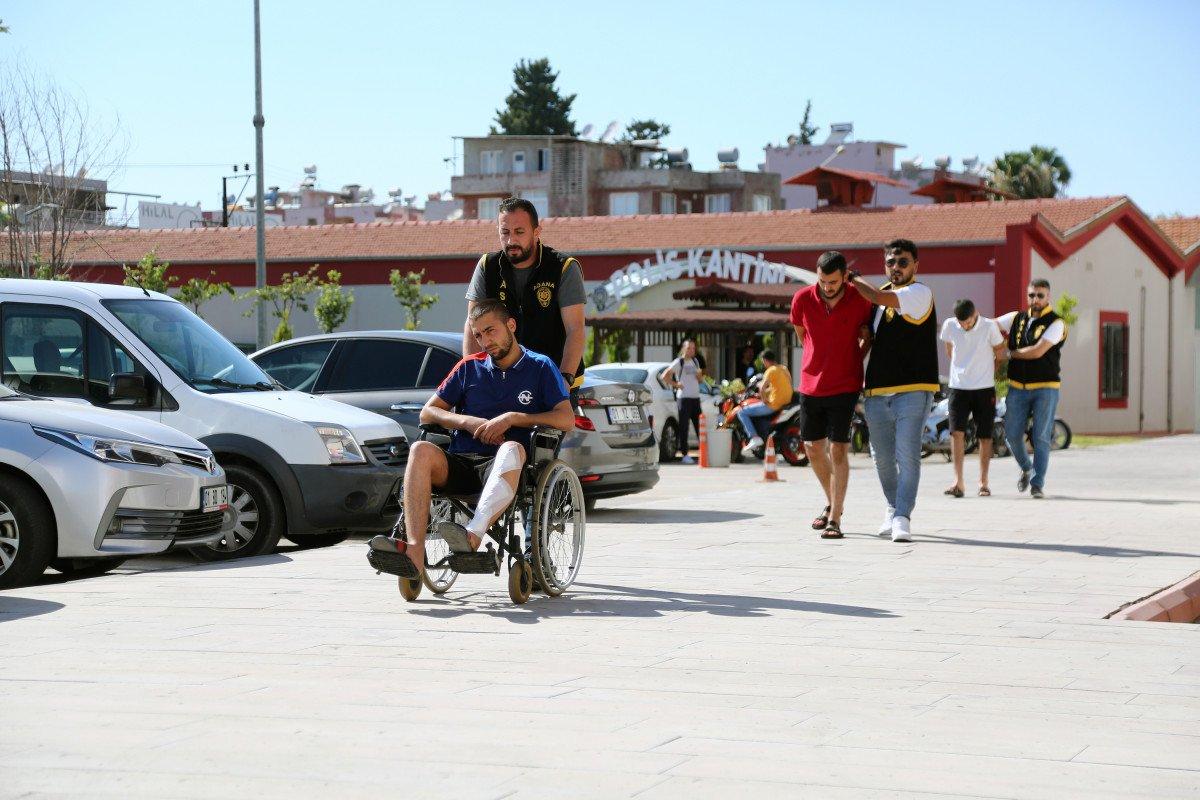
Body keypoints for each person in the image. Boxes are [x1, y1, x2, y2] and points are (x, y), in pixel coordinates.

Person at [369, 300, 574, 576]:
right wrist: (466, 421)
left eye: (491, 331)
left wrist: (514, 418)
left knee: (512, 447)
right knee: (420, 449)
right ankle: (415, 551)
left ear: (510, 326)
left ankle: (472, 537)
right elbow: (428, 412)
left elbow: (566, 418)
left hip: (509, 467)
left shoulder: (540, 367)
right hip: (463, 461)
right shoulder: (468, 367)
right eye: (478, 335)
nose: (485, 341)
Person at [847, 239, 938, 543]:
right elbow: (870, 339)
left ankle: (902, 516)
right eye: (890, 262)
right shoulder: (880, 301)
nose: (896, 267)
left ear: (916, 266)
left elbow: (872, 293)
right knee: (882, 458)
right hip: (876, 391)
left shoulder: (919, 292)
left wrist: (852, 277)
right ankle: (892, 506)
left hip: (913, 389)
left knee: (907, 455)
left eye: (902, 262)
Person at [789, 251, 874, 539]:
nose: (827, 287)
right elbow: (803, 335)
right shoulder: (802, 299)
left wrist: (852, 359)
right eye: (823, 281)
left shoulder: (860, 299)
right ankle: (832, 501)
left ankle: (835, 519)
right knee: (812, 447)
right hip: (811, 385)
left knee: (838, 449)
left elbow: (867, 337)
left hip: (846, 385)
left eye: (833, 282)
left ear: (845, 277)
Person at [463, 197, 586, 394]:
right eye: (505, 233)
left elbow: (575, 329)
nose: (511, 240)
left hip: (552, 380)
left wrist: (564, 379)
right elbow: (472, 324)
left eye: (519, 232)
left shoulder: (563, 267)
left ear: (536, 232)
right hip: (501, 380)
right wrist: (472, 377)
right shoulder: (488, 266)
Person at [996, 278, 1067, 499]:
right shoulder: (1016, 318)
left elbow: (1038, 351)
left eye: (1040, 295)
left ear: (1048, 297)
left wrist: (1007, 354)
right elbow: (988, 326)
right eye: (1031, 295)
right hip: (1017, 386)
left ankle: (1037, 483)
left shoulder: (1057, 323)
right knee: (1012, 435)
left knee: (1041, 436)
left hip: (1045, 387)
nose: (1035, 299)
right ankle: (1027, 467)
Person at [940, 299, 1006, 498]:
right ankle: (958, 481)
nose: (964, 325)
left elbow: (1000, 353)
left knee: (984, 436)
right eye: (961, 322)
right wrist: (962, 370)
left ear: (975, 313)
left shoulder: (989, 327)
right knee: (956, 433)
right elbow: (949, 349)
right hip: (958, 388)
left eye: (967, 322)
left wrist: (988, 373)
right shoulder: (949, 325)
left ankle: (983, 482)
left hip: (984, 389)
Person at [736, 349, 793, 458]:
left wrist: (764, 399)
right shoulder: (783, 368)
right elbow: (787, 383)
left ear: (765, 361)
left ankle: (754, 437)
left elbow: (762, 388)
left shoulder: (770, 371)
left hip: (774, 405)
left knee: (742, 412)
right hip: (786, 402)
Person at [659, 339, 706, 464]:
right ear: (684, 349)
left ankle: (704, 453)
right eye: (689, 348)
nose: (692, 350)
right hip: (684, 399)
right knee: (684, 427)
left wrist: (699, 376)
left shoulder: (695, 361)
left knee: (699, 427)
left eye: (693, 348)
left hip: (695, 398)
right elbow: (664, 376)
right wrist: (676, 384)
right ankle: (685, 454)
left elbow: (700, 381)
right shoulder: (678, 362)